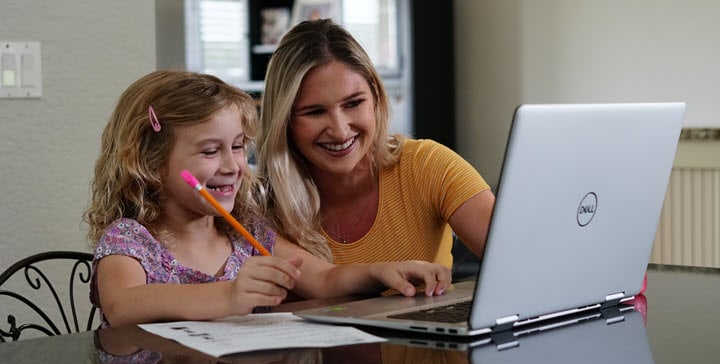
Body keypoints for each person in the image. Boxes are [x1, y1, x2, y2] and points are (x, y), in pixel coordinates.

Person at [83, 69, 451, 328]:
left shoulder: (246, 234)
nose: (232, 165)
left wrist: (382, 271)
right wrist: (228, 297)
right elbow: (123, 305)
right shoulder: (131, 239)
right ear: (151, 162)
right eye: (210, 151)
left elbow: (323, 280)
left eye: (239, 147)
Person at [256, 19, 496, 270]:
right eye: (315, 112)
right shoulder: (260, 207)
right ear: (284, 121)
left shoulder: (427, 165)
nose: (339, 131)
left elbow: (517, 262)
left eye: (353, 103)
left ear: (375, 98)